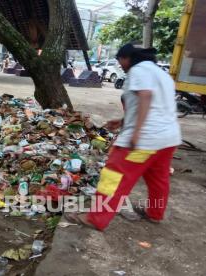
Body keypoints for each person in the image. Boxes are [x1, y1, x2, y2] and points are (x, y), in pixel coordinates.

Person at [66, 43, 182, 231]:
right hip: (168, 139)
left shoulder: (138, 70)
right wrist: (122, 121)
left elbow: (145, 96)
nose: (120, 64)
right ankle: (155, 213)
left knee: (113, 177)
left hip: (144, 141)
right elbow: (155, 107)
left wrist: (136, 132)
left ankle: (95, 218)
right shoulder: (162, 74)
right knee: (158, 178)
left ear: (128, 58)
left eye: (120, 59)